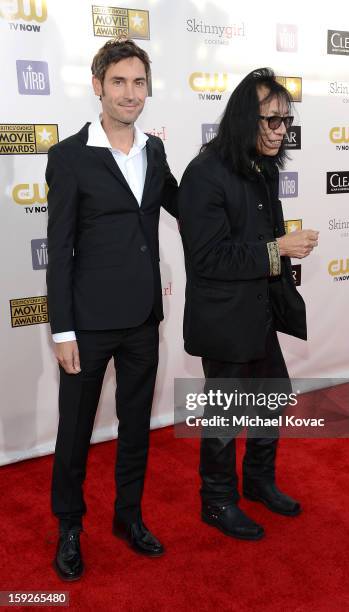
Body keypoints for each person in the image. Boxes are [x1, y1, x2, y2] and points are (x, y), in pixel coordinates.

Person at [46, 38, 177, 580]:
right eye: (119, 81)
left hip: (144, 318)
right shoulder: (69, 156)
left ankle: (129, 517)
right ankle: (70, 528)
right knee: (74, 431)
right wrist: (62, 330)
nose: (130, 92)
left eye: (139, 82)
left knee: (136, 426)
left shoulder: (154, 150)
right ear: (97, 86)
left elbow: (187, 205)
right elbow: (59, 250)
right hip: (90, 323)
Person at [178, 68, 318, 540]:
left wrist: (276, 253)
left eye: (286, 120)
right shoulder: (204, 174)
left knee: (272, 400)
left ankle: (258, 482)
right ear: (243, 118)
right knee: (224, 415)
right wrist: (280, 249)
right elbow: (207, 258)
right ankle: (216, 502)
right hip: (223, 318)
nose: (281, 130)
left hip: (258, 312)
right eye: (271, 120)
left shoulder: (262, 166)